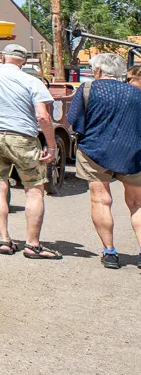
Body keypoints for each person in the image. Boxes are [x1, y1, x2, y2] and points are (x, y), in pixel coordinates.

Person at [0, 44, 60, 259]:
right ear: (23, 61)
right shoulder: (33, 81)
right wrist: (51, 144)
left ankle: (4, 240)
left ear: (3, 58)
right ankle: (32, 245)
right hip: (22, 138)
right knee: (34, 189)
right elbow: (43, 116)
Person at [66, 53, 141, 270]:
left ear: (98, 71)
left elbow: (75, 122)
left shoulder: (88, 89)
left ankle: (109, 252)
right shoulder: (136, 93)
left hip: (94, 152)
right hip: (132, 152)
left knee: (101, 200)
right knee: (137, 204)